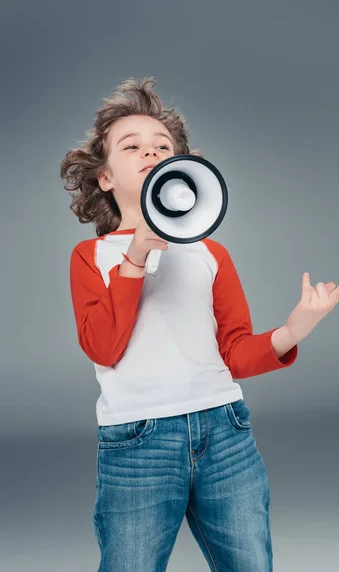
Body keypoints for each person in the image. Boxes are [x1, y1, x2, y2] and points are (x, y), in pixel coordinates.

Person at [60, 76, 300, 571]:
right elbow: (103, 347)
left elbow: (234, 351)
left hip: (226, 432)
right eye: (132, 146)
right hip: (138, 445)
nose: (150, 152)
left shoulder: (211, 254)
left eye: (162, 146)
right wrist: (135, 259)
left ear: (180, 166)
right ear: (104, 177)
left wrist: (294, 330)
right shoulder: (91, 257)